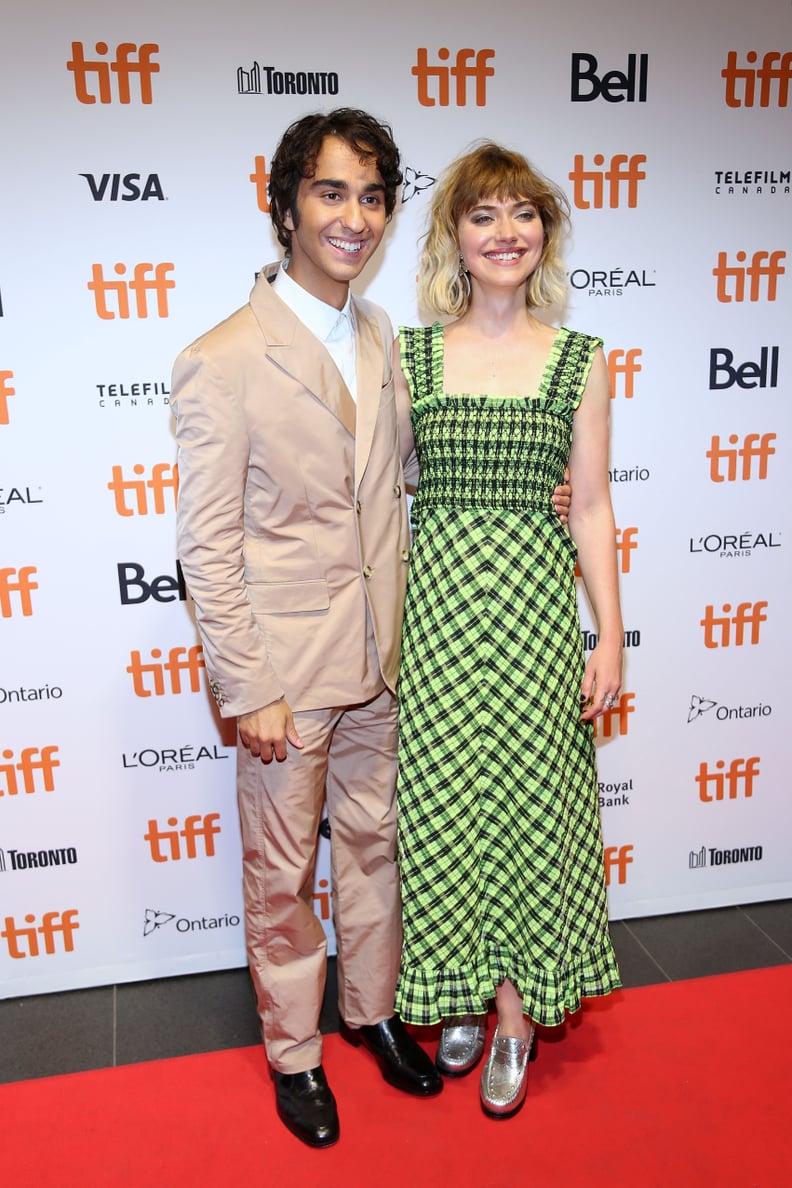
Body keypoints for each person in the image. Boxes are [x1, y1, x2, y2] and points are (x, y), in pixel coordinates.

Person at [170, 109, 444, 1150]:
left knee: (375, 848)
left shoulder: (381, 335)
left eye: (374, 196)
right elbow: (209, 548)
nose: (356, 217)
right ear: (287, 205)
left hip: (386, 658)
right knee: (282, 875)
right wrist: (248, 687)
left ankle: (370, 1012)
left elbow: (399, 484)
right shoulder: (223, 358)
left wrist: (529, 497)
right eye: (333, 193)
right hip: (286, 673)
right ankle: (295, 1053)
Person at [392, 142, 623, 1120]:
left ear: (546, 235)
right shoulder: (411, 355)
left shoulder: (580, 359)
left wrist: (608, 635)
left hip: (532, 615)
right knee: (443, 817)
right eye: (483, 216)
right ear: (455, 235)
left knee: (532, 818)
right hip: (440, 615)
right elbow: (387, 489)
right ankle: (462, 991)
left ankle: (518, 1020)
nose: (504, 233)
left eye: (523, 214)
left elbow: (596, 507)